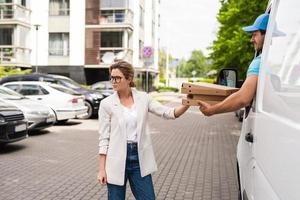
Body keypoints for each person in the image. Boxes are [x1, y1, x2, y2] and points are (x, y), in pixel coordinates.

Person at [97, 61, 189, 200]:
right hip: (115, 159)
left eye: (117, 78)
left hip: (139, 159)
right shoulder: (106, 104)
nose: (113, 81)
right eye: (112, 77)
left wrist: (186, 105)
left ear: (129, 79)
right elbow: (104, 138)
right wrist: (102, 169)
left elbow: (167, 112)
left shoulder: (143, 98)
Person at [198, 13, 269, 116]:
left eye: (255, 34)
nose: (251, 39)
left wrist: (212, 110)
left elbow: (243, 98)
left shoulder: (260, 62)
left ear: (267, 36)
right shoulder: (276, 61)